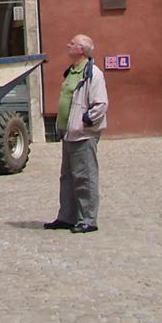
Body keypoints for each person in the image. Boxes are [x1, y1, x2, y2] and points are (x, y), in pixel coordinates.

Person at [45, 33, 108, 234]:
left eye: (72, 43)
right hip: (68, 132)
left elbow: (101, 104)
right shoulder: (72, 71)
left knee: (84, 177)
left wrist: (85, 121)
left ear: (82, 49)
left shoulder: (93, 73)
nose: (68, 45)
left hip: (83, 133)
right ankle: (67, 217)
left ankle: (88, 219)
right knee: (67, 177)